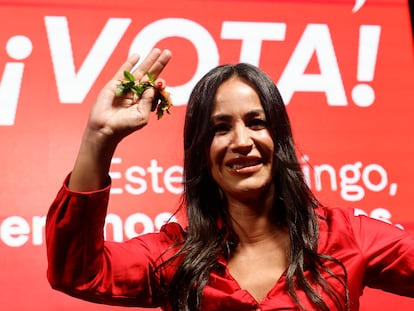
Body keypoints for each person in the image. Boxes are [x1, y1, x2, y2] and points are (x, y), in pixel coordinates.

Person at [46, 48, 414, 311]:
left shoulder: (348, 236)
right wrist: (99, 138)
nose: (241, 142)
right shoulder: (174, 258)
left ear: (279, 138)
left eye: (256, 122)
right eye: (221, 128)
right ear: (201, 152)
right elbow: (77, 273)